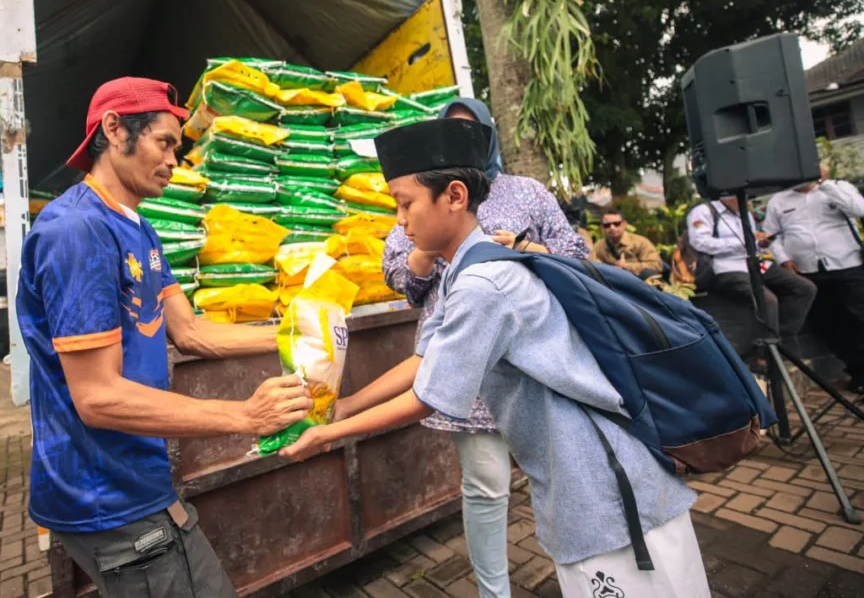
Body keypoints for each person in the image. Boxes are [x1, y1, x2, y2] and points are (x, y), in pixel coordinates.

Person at [284, 118, 708, 597]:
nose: (399, 221)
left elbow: (427, 396)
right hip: (585, 478)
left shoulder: (483, 284)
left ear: (456, 196)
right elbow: (425, 359)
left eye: (406, 204)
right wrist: (346, 405)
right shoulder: (466, 268)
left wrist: (326, 435)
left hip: (605, 490)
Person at [17, 77, 313, 598]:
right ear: (113, 130)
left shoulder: (139, 227)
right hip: (103, 493)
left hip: (137, 479)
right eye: (165, 141)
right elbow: (98, 397)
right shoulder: (76, 231)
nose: (176, 159)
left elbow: (191, 331)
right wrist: (246, 417)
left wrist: (294, 333)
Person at [380, 97, 588, 598]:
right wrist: (430, 249)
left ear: (491, 134)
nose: (460, 141)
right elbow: (398, 275)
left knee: (562, 481)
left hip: (528, 367)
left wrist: (523, 251)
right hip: (461, 369)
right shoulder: (425, 194)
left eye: (471, 131)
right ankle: (495, 593)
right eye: (450, 132)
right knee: (488, 485)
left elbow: (576, 256)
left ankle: (584, 576)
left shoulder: (528, 193)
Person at [764, 167, 864, 392]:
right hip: (808, 271)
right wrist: (783, 259)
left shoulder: (838, 189)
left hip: (847, 265)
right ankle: (857, 371)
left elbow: (859, 209)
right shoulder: (778, 201)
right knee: (828, 325)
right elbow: (771, 236)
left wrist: (824, 183)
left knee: (859, 318)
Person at [687, 196, 816, 339]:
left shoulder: (745, 213)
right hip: (726, 266)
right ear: (728, 195)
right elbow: (700, 242)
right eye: (744, 197)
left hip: (755, 262)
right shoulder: (704, 211)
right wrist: (744, 242)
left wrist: (761, 243)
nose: (747, 201)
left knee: (804, 288)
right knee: (767, 300)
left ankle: (781, 336)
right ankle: (767, 351)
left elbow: (754, 244)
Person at [594, 207, 664, 279]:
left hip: (639, 282)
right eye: (607, 225)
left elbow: (656, 265)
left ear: (624, 224)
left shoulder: (640, 242)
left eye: (616, 224)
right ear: (602, 228)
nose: (612, 227)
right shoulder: (599, 246)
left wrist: (626, 266)